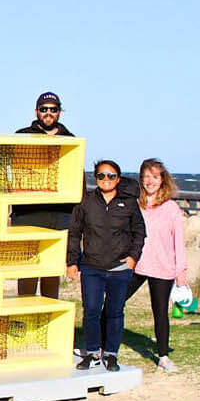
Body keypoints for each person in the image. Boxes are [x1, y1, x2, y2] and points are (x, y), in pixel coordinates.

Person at [66, 159, 146, 372]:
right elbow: (74, 233)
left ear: (118, 179)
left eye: (111, 176)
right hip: (92, 268)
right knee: (91, 311)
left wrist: (133, 258)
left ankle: (111, 354)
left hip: (120, 269)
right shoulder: (86, 202)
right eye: (101, 175)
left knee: (114, 312)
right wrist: (72, 262)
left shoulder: (129, 203)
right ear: (95, 178)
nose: (106, 179)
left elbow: (139, 232)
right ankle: (92, 353)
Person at [12, 92, 76, 300]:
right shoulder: (21, 135)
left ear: (59, 112)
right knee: (28, 269)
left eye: (53, 109)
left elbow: (76, 178)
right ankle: (25, 312)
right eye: (44, 109)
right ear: (36, 111)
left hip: (60, 214)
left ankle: (48, 312)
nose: (48, 113)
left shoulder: (70, 139)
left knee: (51, 268)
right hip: (28, 213)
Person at [128, 158, 186, 373]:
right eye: (145, 177)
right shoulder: (135, 204)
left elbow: (178, 241)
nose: (149, 181)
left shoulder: (171, 208)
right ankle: (100, 346)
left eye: (154, 177)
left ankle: (163, 356)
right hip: (136, 264)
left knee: (160, 312)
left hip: (163, 267)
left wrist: (181, 271)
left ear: (162, 179)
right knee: (114, 303)